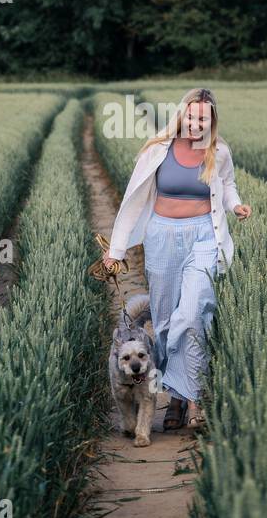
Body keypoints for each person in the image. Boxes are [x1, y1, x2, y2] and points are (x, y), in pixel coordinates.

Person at [101, 88, 251, 430]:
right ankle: (176, 399)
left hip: (204, 237)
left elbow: (227, 186)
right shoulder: (157, 149)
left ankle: (195, 399)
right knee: (166, 321)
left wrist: (235, 205)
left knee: (195, 313)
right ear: (181, 115)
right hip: (162, 238)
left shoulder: (219, 151)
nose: (198, 124)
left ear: (212, 121)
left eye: (205, 118)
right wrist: (116, 251)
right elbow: (133, 200)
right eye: (193, 116)